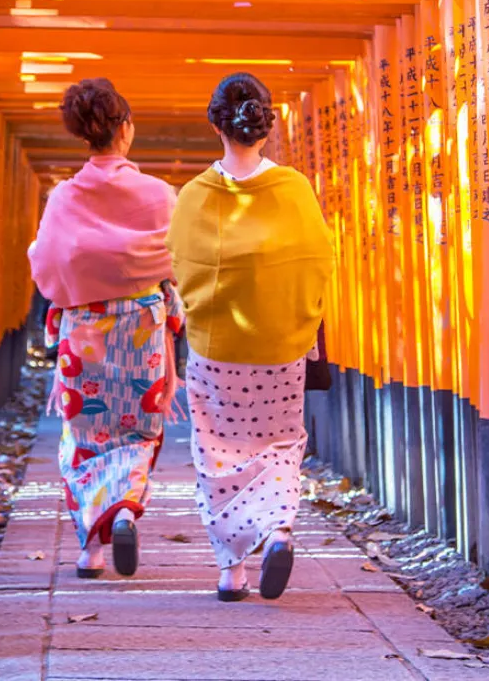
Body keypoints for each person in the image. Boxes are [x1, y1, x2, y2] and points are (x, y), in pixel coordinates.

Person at [166, 73, 334, 601]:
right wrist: (300, 322)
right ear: (265, 125)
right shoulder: (294, 189)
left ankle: (231, 571)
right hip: (282, 349)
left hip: (217, 351)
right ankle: (278, 528)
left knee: (218, 452)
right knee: (281, 444)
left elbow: (177, 268)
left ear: (216, 123)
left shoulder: (195, 196)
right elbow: (318, 262)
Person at [28, 78, 184, 579]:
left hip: (85, 332)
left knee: (84, 434)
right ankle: (124, 507)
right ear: (126, 129)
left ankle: (90, 550)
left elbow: (45, 264)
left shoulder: (64, 198)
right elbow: (179, 261)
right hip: (142, 329)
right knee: (140, 430)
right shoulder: (159, 195)